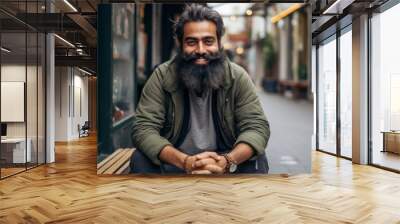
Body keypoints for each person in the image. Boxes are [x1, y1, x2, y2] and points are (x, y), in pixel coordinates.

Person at [131, 4, 270, 174]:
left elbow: (257, 127)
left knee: (258, 159)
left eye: (208, 41)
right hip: (175, 162)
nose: (201, 50)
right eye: (191, 42)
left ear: (219, 43)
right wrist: (185, 162)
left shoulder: (237, 77)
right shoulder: (162, 76)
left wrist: (227, 161)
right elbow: (143, 128)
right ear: (180, 44)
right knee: (140, 159)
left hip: (224, 160)